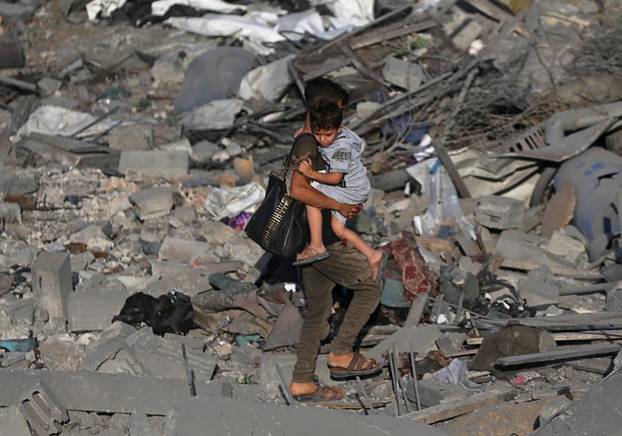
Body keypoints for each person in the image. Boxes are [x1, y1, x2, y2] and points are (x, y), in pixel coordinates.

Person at [286, 131, 384, 402]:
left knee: (316, 313)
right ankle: (341, 352)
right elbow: (299, 190)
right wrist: (339, 203)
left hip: (308, 243)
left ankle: (302, 381)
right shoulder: (308, 144)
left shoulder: (314, 142)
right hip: (325, 245)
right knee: (371, 287)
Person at [292, 100, 388, 283]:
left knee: (311, 197)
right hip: (354, 187)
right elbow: (313, 131)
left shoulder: (341, 149)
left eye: (328, 135)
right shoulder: (338, 134)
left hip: (350, 189)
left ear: (339, 128)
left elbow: (335, 178)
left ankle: (316, 245)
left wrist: (310, 173)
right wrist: (304, 132)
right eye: (318, 134)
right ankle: (373, 254)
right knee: (338, 229)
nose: (323, 139)